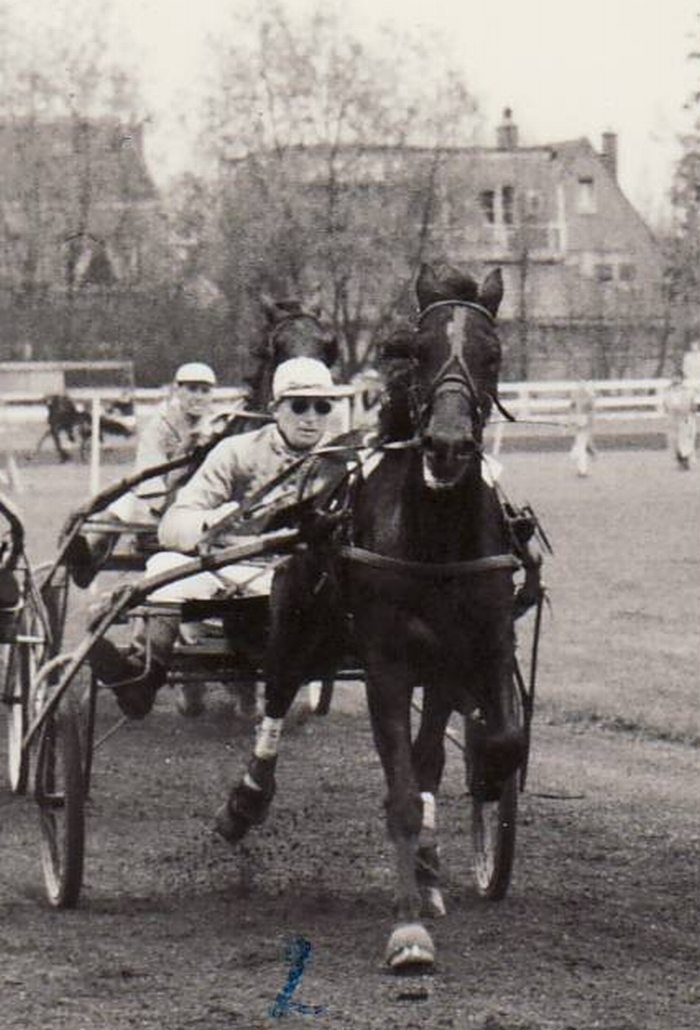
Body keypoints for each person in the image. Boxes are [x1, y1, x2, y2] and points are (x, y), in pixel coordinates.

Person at [87, 356, 347, 719]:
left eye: (322, 407)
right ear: (275, 409)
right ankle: (143, 678)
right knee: (163, 564)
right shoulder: (236, 451)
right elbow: (173, 523)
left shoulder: (347, 459)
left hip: (312, 583)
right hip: (238, 572)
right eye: (299, 405)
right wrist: (213, 521)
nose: (311, 417)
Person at [65, 362, 218, 588]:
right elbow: (149, 466)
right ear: (178, 390)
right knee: (116, 510)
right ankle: (87, 562)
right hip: (159, 495)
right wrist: (159, 499)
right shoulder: (161, 423)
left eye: (205, 391)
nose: (198, 397)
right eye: (192, 389)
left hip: (199, 500)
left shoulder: (216, 426)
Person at [662, 376, 697, 470]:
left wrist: (689, 412)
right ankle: (680, 461)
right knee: (674, 441)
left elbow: (693, 406)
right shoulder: (667, 392)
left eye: (678, 378)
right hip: (673, 419)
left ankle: (685, 461)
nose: (675, 380)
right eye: (674, 377)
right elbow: (665, 406)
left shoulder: (688, 391)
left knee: (685, 440)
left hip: (685, 418)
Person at [569, 381, 596, 477]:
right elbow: (573, 409)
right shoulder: (586, 399)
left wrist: (575, 420)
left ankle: (582, 469)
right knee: (581, 444)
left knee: (580, 445)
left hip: (583, 422)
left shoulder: (583, 399)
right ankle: (588, 452)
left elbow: (574, 409)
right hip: (582, 422)